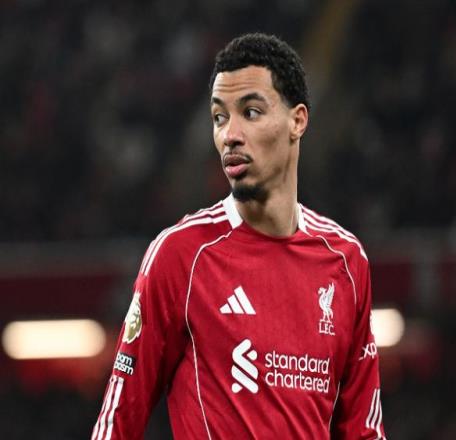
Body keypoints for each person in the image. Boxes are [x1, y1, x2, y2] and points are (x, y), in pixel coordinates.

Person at [92, 33, 386, 440]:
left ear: (297, 121)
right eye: (219, 117)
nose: (229, 134)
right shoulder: (181, 255)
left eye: (250, 112)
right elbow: (116, 424)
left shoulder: (346, 261)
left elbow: (365, 431)